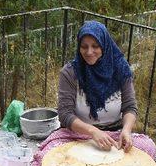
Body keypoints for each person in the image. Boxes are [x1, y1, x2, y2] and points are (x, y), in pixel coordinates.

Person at [57, 20, 137, 151]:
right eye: (84, 46)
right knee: (48, 155)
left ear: (104, 45)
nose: (89, 52)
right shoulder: (70, 73)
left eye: (95, 46)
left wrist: (126, 130)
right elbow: (65, 114)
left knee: (147, 148)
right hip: (78, 134)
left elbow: (130, 107)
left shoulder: (121, 68)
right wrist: (93, 131)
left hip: (114, 134)